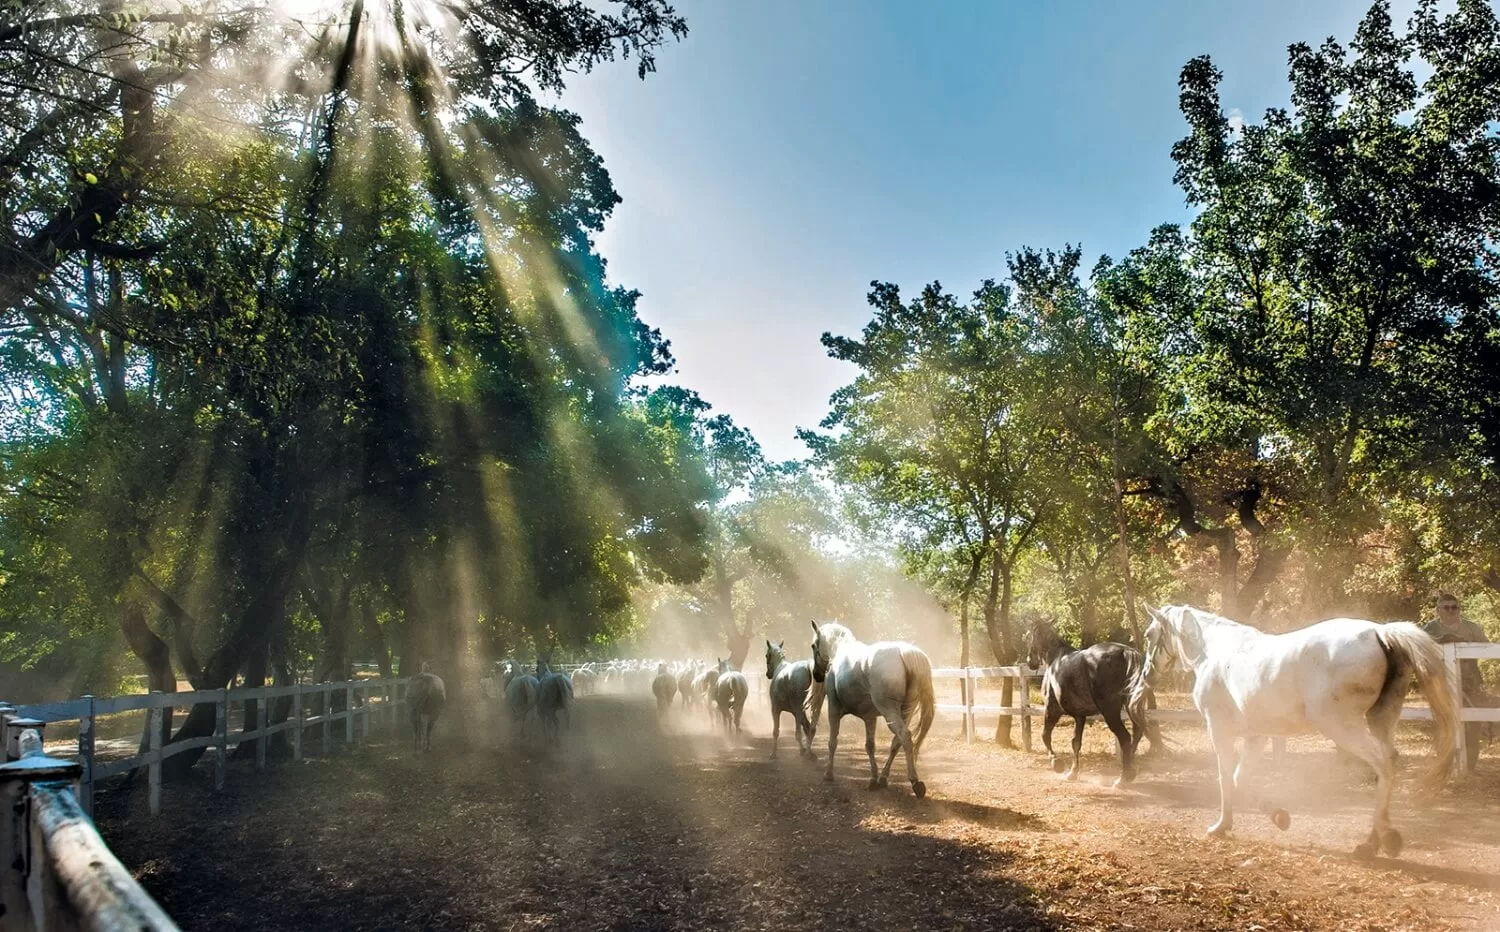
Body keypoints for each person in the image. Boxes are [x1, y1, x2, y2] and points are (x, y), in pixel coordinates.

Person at [1422, 592, 1491, 770]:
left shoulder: (1471, 628)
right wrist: (1441, 642)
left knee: (1471, 724)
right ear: (1438, 610)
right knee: (1444, 722)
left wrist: (1465, 645)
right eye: (1447, 607)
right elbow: (1421, 650)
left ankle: (1469, 767)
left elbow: (1487, 649)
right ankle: (1444, 765)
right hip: (1440, 683)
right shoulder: (1430, 628)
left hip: (1471, 682)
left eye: (1455, 607)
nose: (1452, 611)